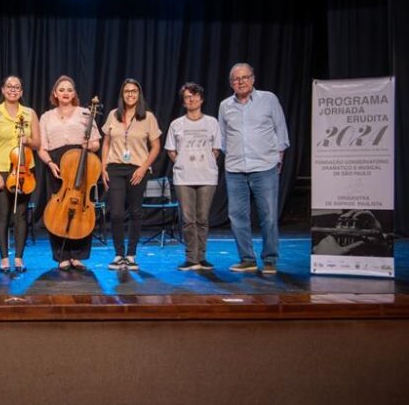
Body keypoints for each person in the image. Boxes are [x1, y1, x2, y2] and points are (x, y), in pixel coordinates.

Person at [218, 63, 289, 274]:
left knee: (268, 215)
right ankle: (247, 259)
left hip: (264, 166)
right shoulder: (225, 106)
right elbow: (222, 136)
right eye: (236, 79)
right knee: (237, 216)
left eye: (244, 77)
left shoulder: (269, 99)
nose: (240, 82)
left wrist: (279, 157)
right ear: (231, 83)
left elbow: (281, 130)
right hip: (235, 169)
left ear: (253, 79)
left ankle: (270, 259)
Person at [37, 75, 101, 271]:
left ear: (74, 94)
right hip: (57, 165)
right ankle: (61, 255)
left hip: (82, 162)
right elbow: (41, 147)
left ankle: (78, 254)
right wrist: (49, 163)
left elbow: (96, 143)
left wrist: (87, 145)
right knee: (58, 210)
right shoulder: (46, 117)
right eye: (61, 90)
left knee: (82, 207)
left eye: (69, 90)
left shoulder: (85, 113)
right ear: (55, 93)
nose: (65, 93)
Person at [100, 78, 161, 271]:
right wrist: (103, 167)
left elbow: (156, 146)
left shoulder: (148, 117)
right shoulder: (113, 115)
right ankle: (119, 254)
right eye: (127, 91)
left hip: (137, 169)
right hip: (115, 168)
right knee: (116, 213)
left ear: (139, 94)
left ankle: (131, 255)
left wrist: (143, 168)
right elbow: (106, 143)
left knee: (135, 212)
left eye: (134, 91)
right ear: (122, 95)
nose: (130, 94)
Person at [0, 75, 40, 273]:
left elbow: (38, 143)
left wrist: (27, 141)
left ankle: (18, 258)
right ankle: (4, 259)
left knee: (21, 215)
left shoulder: (30, 113)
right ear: (3, 90)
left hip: (25, 169)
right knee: (3, 215)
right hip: (1, 168)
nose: (13, 90)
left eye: (17, 87)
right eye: (9, 86)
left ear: (22, 92)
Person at [165, 82, 221, 271]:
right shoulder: (176, 124)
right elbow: (171, 150)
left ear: (201, 98)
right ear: (183, 101)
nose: (192, 99)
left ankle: (202, 257)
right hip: (184, 178)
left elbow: (216, 149)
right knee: (188, 219)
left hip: (207, 177)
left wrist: (203, 163)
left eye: (195, 95)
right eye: (188, 96)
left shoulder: (212, 122)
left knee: (202, 218)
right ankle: (191, 258)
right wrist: (184, 163)